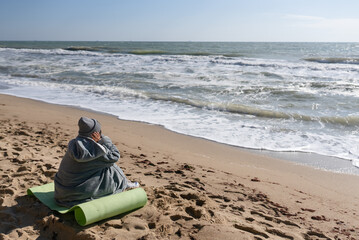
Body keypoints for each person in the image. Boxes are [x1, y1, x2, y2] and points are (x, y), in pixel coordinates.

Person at [54, 116, 139, 207]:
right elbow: (115, 156)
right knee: (109, 166)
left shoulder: (73, 144)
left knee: (102, 163)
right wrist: (103, 141)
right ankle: (124, 183)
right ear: (95, 134)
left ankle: (124, 182)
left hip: (61, 191)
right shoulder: (97, 150)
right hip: (76, 194)